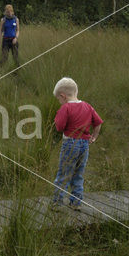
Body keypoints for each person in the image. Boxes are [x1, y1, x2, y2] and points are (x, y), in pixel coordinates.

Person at [51, 77, 103, 210]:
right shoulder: (87, 106)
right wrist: (94, 137)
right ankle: (76, 202)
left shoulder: (66, 107)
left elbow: (59, 127)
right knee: (79, 173)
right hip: (85, 144)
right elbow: (98, 123)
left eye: (59, 99)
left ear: (63, 96)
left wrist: (58, 116)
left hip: (70, 143)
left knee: (64, 173)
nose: (60, 102)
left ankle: (57, 202)